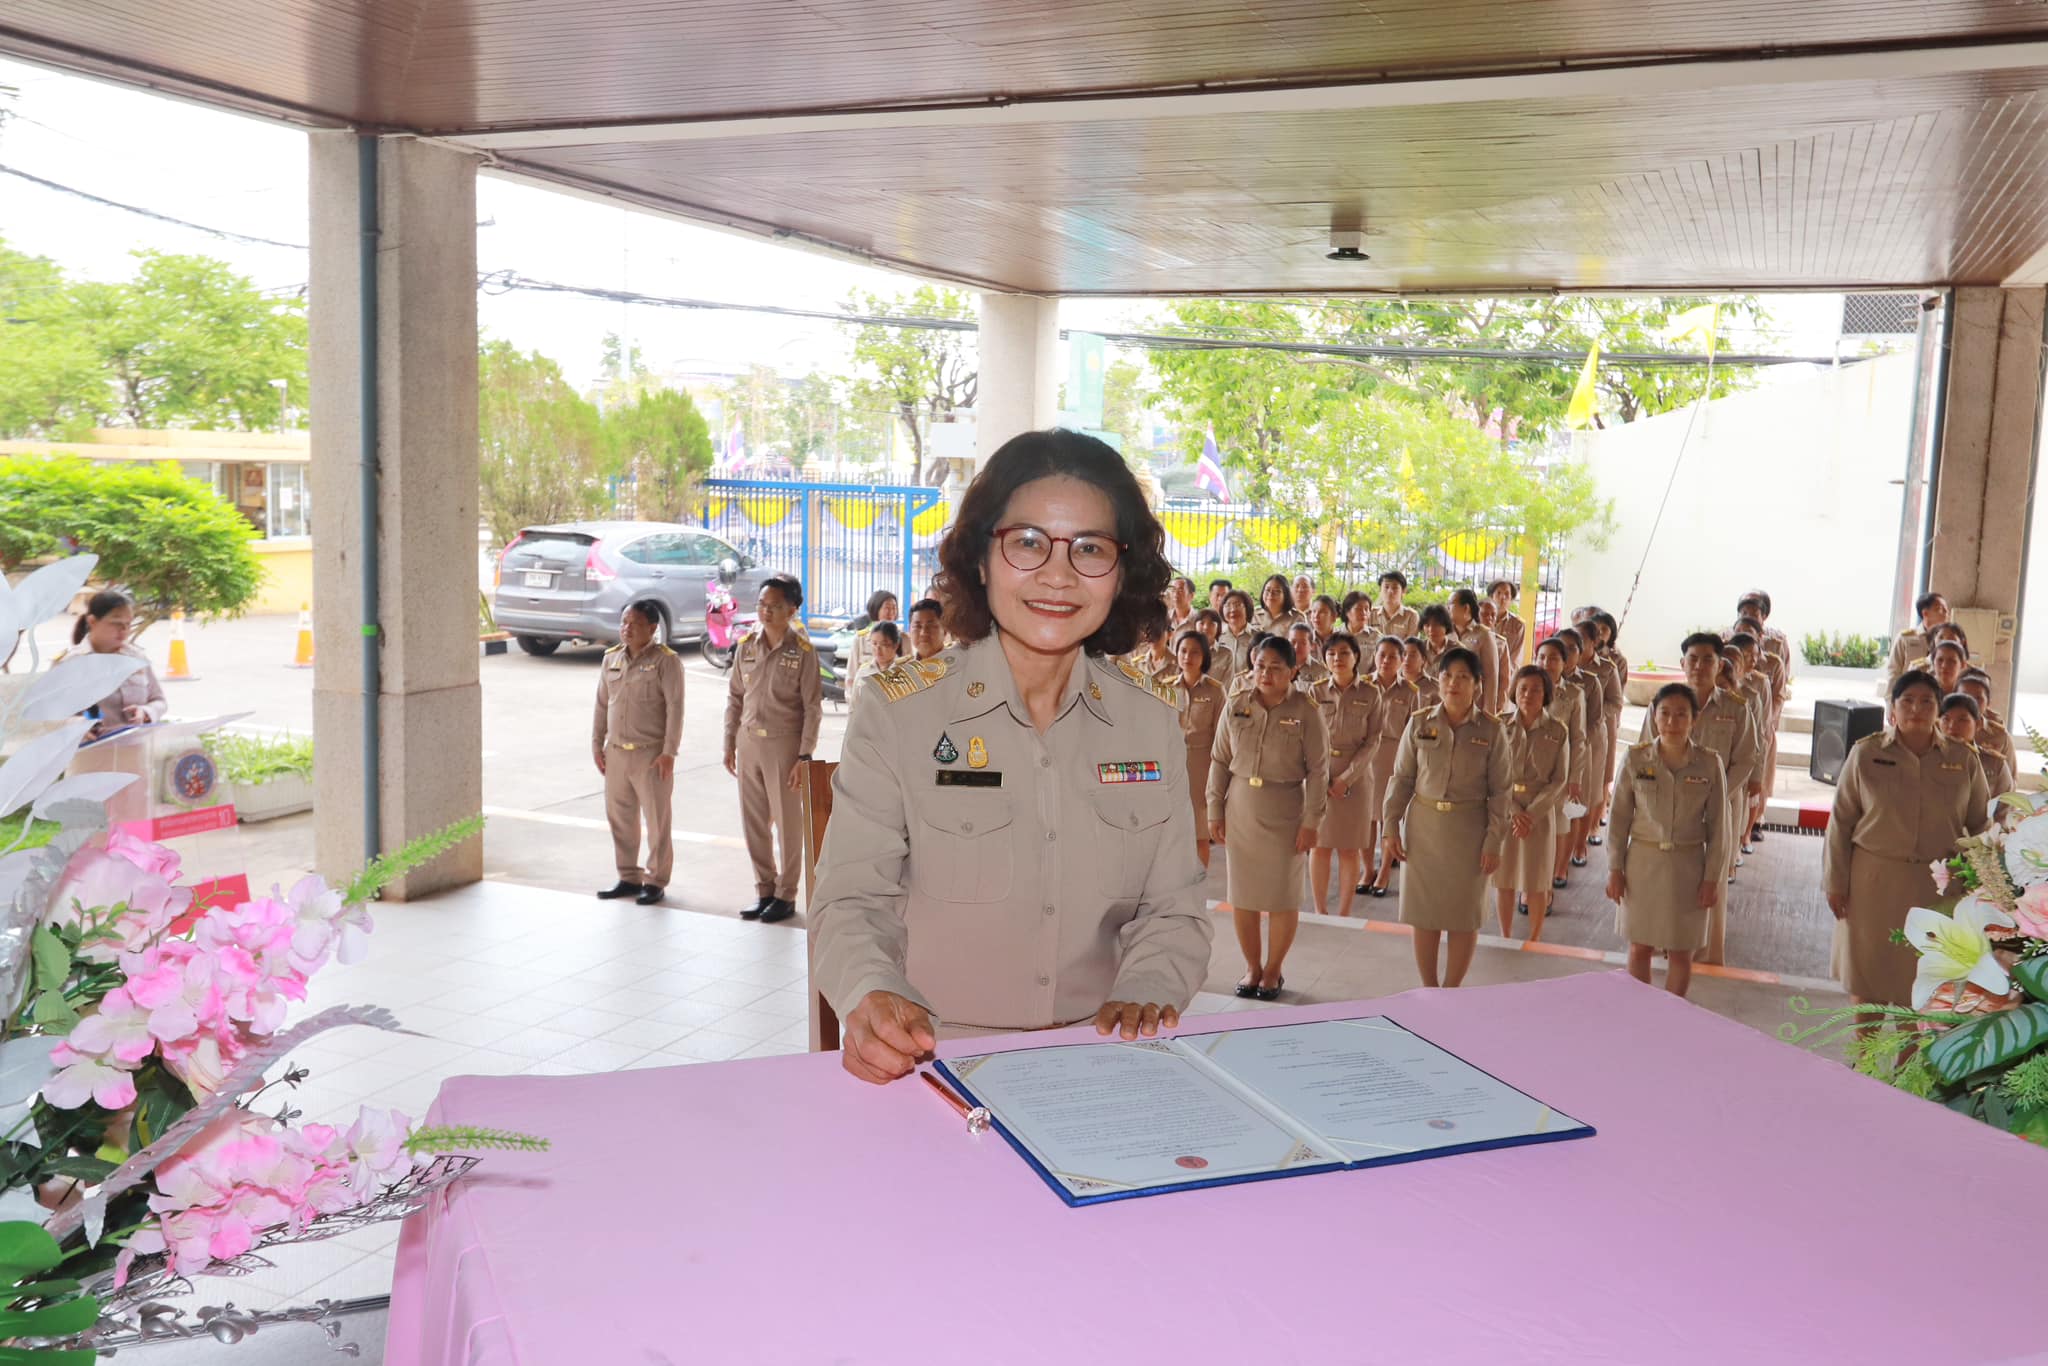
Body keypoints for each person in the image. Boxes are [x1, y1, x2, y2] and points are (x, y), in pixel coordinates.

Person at [812, 429, 1212, 1083]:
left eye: (1090, 548)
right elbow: (852, 901)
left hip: (1103, 1061)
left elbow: (1174, 910)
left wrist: (1145, 990)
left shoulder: (1149, 723)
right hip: (935, 1062)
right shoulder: (900, 713)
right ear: (981, 557)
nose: (1058, 574)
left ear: (1121, 571)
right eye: (1028, 542)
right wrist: (872, 994)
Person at [1824, 670, 1992, 1007]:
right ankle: (1865, 1057)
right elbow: (1841, 823)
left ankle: (1907, 1060)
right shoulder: (1866, 753)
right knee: (1868, 976)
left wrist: (1979, 886)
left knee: (1921, 980)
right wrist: (1835, 881)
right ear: (1892, 709)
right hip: (1873, 883)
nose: (1916, 708)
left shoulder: (1962, 759)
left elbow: (1979, 826)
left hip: (1936, 886)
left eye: (1927, 701)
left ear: (1938, 709)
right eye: (1908, 701)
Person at [1382, 646, 1510, 988]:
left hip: (1470, 830)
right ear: (1438, 680)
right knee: (1424, 914)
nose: (1454, 683)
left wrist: (1494, 840)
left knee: (1463, 916)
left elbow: (1501, 792)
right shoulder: (1419, 722)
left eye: (1463, 677)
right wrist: (1390, 825)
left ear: (1478, 685)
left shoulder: (1492, 730)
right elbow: (1402, 778)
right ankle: (1428, 987)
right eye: (1447, 675)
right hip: (1424, 828)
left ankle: (1452, 989)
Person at [1210, 636, 1327, 1000]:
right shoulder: (1236, 703)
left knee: (1281, 896)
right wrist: (1214, 808)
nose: (1266, 673)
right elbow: (1218, 759)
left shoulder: (1307, 710)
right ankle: (1252, 967)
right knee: (1243, 895)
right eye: (1261, 666)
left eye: (1276, 667)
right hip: (1242, 807)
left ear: (1293, 671)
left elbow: (1320, 771)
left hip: (1285, 809)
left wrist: (1312, 822)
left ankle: (1274, 969)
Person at [1638, 632, 1760, 964]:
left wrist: (1717, 794)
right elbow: (1644, 754)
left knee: (1711, 879)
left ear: (1721, 664)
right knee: (1667, 876)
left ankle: (1706, 957)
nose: (1699, 666)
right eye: (1693, 659)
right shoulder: (1662, 705)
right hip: (1669, 809)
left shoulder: (1736, 708)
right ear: (1682, 663)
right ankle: (1664, 945)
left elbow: (1747, 758)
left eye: (1708, 659)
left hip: (1720, 810)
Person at [1605, 683, 1728, 998]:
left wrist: (1712, 878)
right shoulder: (1635, 759)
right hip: (1642, 863)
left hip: (1688, 866)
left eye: (1681, 714)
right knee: (1639, 946)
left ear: (1694, 719)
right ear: (1654, 716)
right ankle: (1642, 1015)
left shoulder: (1709, 763)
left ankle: (1671, 1018)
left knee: (1681, 951)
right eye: (1665, 714)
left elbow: (1719, 828)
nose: (1672, 722)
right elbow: (1618, 819)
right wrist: (1614, 868)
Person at [723, 574, 824, 925]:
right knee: (754, 823)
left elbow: (813, 707)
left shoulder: (803, 651)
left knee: (788, 824)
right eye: (762, 605)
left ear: (792, 610)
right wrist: (729, 742)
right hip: (749, 741)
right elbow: (735, 697)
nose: (766, 612)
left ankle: (786, 894)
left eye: (775, 606)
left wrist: (804, 755)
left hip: (784, 744)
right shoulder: (747, 645)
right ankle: (764, 889)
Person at [593, 602, 686, 905]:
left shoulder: (666, 662)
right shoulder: (612, 659)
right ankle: (628, 876)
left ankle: (656, 879)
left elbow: (675, 708)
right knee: (620, 817)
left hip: (651, 754)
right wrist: (597, 742)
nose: (627, 628)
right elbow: (602, 704)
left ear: (652, 628)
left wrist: (669, 751)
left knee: (657, 820)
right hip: (617, 752)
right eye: (624, 622)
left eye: (634, 623)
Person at [1492, 665, 1570, 941]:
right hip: (1506, 810)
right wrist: (1514, 811)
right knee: (1505, 878)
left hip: (1540, 812)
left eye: (1536, 689)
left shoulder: (1558, 730)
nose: (1528, 694)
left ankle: (1535, 939)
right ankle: (1505, 935)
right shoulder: (1500, 725)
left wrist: (1531, 814)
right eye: (1523, 688)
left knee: (1537, 881)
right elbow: (1493, 774)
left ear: (1546, 693)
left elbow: (1559, 779)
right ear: (1514, 690)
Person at [1308, 632, 1378, 918]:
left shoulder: (1371, 693)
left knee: (1349, 849)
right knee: (1320, 846)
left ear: (1356, 657)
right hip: (1320, 775)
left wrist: (1346, 779)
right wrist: (1322, 778)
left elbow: (1373, 741)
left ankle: (1345, 913)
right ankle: (1320, 910)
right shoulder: (1316, 691)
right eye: (1332, 653)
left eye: (1344, 652)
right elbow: (1308, 736)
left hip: (1357, 780)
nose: (1338, 658)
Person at [1358, 635, 1420, 899]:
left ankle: (1384, 870)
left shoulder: (1410, 692)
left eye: (1392, 656)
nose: (1386, 660)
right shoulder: (1360, 686)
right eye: (1381, 655)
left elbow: (1412, 732)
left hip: (1393, 757)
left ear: (1402, 660)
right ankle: (1367, 869)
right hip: (1363, 757)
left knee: (1387, 815)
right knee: (1365, 817)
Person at [65, 590, 166, 738]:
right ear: (92, 621)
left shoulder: (137, 658)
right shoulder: (70, 664)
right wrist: (75, 725)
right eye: (116, 623)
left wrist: (146, 712)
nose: (124, 630)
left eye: (128, 623)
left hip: (137, 751)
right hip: (92, 754)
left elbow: (159, 701)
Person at [1534, 635, 1589, 893]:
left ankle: (1555, 873)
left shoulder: (1574, 694)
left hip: (1562, 769)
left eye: (1554, 658)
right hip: (1531, 769)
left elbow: (1579, 738)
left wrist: (1575, 776)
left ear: (1565, 663)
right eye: (1542, 657)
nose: (1547, 663)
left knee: (1561, 823)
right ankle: (1532, 882)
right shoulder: (1526, 686)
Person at [1170, 629, 1226, 867]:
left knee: (1199, 835)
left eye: (1194, 652)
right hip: (1171, 765)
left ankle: (1198, 889)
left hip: (1202, 766)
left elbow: (1221, 736)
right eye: (1183, 651)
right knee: (1171, 835)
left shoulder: (1215, 690)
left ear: (1204, 656)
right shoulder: (1165, 687)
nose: (1188, 657)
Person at [1940, 693, 2014, 803]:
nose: (1952, 726)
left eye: (1962, 720)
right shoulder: (1927, 759)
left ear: (1978, 724)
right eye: (1946, 719)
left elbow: (2004, 810)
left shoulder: (1995, 764)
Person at [1448, 589, 1502, 715]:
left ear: (1466, 608)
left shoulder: (1484, 635)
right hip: (1449, 704)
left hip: (1474, 706)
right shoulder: (1447, 633)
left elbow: (1491, 676)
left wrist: (1489, 713)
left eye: (1450, 604)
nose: (1447, 608)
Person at [1958, 670, 2019, 774]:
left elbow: (2010, 778)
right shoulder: (1942, 730)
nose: (1971, 702)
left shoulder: (2000, 736)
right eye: (1965, 696)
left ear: (1988, 702)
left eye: (1978, 698)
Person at [1885, 590, 1948, 689]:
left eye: (1946, 609)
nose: (1945, 613)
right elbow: (1893, 672)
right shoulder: (1905, 638)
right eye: (1939, 609)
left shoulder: (1947, 641)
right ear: (1925, 613)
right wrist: (1892, 702)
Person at [842, 589, 900, 682]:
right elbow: (851, 676)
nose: (891, 612)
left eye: (894, 608)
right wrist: (852, 696)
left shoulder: (902, 638)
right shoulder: (860, 639)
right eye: (887, 608)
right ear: (876, 609)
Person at [1216, 589, 1258, 678]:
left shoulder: (1258, 637)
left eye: (1237, 605)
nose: (1233, 609)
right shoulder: (1216, 636)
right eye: (1228, 605)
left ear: (1247, 608)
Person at [1368, 571, 1420, 639]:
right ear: (1380, 590)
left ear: (1403, 591)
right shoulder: (1370, 614)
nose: (1390, 591)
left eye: (1395, 588)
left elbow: (1411, 646)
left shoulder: (1411, 616)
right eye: (1386, 587)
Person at [1487, 579, 1526, 666]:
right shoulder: (1481, 620)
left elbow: (1516, 657)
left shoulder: (1518, 625)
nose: (1502, 597)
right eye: (1499, 593)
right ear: (1491, 596)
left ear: (1511, 599)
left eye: (1507, 594)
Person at [1287, 622, 1331, 691]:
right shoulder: (1279, 667)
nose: (1296, 647)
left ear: (1312, 646)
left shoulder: (1321, 672)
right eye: (1293, 642)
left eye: (1303, 643)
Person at [1401, 635, 1440, 708]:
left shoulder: (1435, 687)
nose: (1406, 659)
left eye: (1412, 655)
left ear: (1423, 660)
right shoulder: (1391, 683)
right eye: (1404, 654)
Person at [904, 597, 947, 661]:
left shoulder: (960, 665)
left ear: (945, 630)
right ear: (909, 630)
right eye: (917, 626)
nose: (923, 633)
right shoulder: (900, 668)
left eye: (931, 626)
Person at [1417, 603, 1453, 667]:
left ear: (1446, 625)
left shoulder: (1457, 650)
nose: (1431, 629)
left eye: (1436, 625)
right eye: (1427, 625)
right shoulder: (1418, 648)